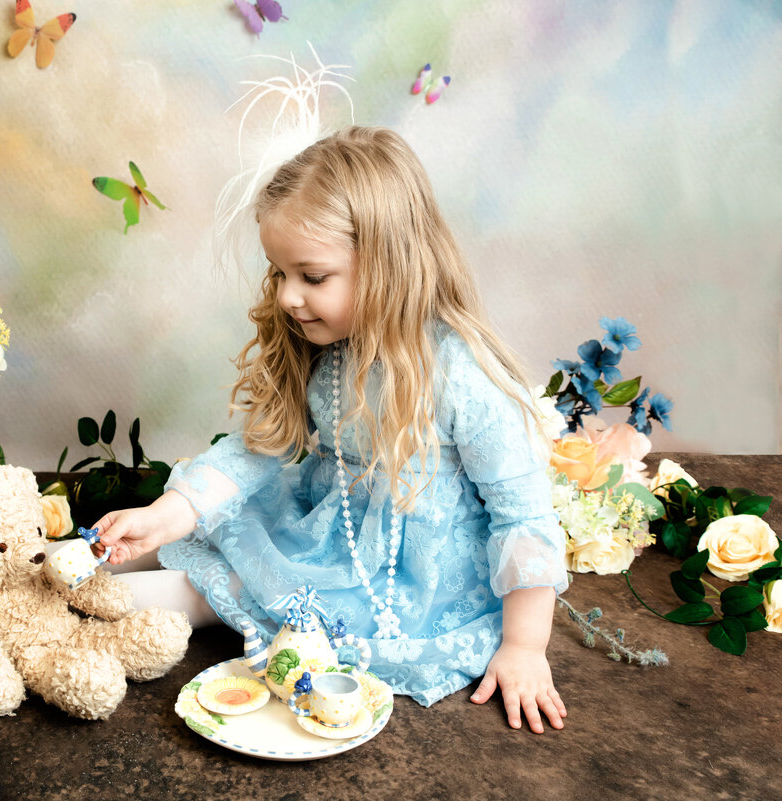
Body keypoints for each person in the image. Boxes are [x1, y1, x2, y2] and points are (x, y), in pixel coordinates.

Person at [97, 126, 568, 733]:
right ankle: (62, 564)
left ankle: (74, 598)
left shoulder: (458, 371)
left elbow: (522, 513)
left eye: (312, 277)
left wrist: (525, 647)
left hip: (409, 586)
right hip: (329, 536)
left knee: (223, 587)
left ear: (389, 265)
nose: (289, 297)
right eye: (279, 273)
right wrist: (168, 513)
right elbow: (258, 448)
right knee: (192, 537)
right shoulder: (328, 349)